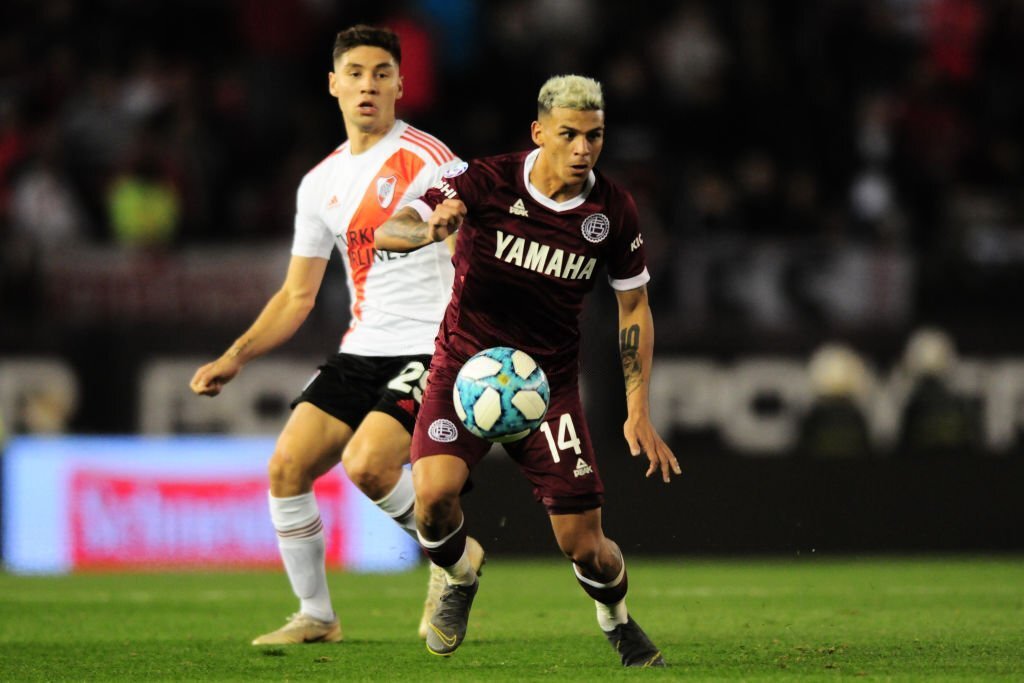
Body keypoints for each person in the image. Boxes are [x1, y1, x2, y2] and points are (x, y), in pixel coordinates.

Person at [189, 25, 484, 646]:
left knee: (369, 465)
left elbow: (470, 244)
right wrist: (235, 356)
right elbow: (296, 295)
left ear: (401, 85)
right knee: (286, 467)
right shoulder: (319, 182)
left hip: (433, 344)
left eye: (382, 73)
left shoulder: (429, 158)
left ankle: (454, 557)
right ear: (333, 85)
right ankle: (318, 616)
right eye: (355, 73)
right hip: (363, 347)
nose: (368, 85)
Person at [376, 74, 679, 667]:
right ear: (539, 132)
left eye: (594, 136)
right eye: (569, 135)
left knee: (586, 547)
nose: (583, 149)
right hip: (464, 369)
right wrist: (431, 227)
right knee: (432, 497)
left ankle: (616, 620)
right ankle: (459, 577)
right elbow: (392, 227)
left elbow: (634, 307)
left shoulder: (612, 210)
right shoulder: (482, 180)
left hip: (550, 389)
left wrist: (638, 407)